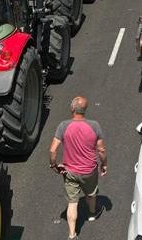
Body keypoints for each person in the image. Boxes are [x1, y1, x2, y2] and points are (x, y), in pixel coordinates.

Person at [49, 97, 107, 240]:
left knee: (72, 203)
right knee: (91, 194)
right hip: (89, 171)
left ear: (72, 108)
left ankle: (72, 235)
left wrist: (54, 165)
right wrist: (104, 164)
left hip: (70, 172)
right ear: (85, 110)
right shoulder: (94, 126)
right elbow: (101, 150)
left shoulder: (63, 126)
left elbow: (52, 150)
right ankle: (92, 213)